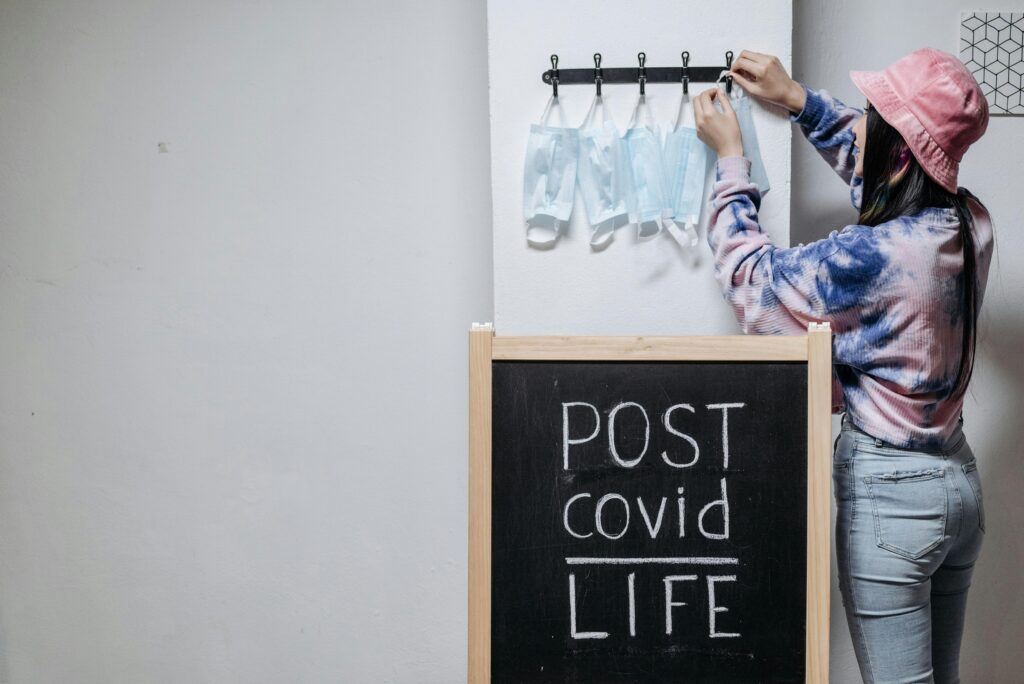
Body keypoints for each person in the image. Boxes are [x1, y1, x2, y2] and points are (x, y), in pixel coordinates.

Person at [692, 48, 993, 683]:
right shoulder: (971, 222)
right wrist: (798, 98)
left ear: (901, 150)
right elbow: (888, 173)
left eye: (877, 120)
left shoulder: (869, 259)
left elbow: (753, 281)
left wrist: (729, 159)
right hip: (959, 487)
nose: (866, 127)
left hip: (895, 505)